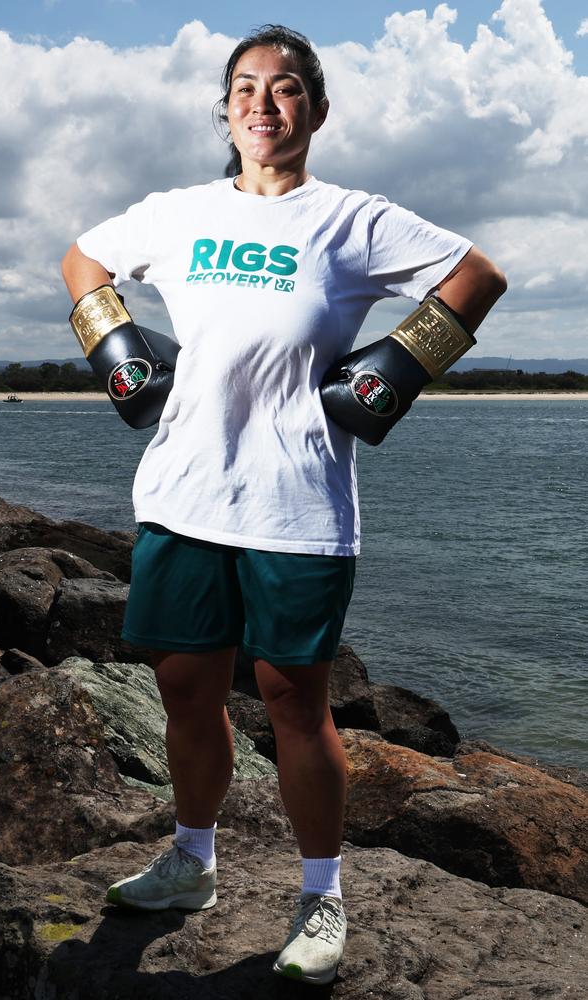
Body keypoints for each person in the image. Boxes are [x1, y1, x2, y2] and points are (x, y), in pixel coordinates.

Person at [61, 24, 506, 986]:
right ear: (224, 108)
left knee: (293, 703)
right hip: (182, 492)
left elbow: (478, 275)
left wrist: (395, 370)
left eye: (288, 87)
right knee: (183, 688)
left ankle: (320, 894)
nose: (265, 103)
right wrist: (119, 354)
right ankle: (192, 862)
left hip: (297, 500)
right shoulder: (174, 212)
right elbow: (82, 259)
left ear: (316, 108)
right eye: (246, 87)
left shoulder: (352, 219)